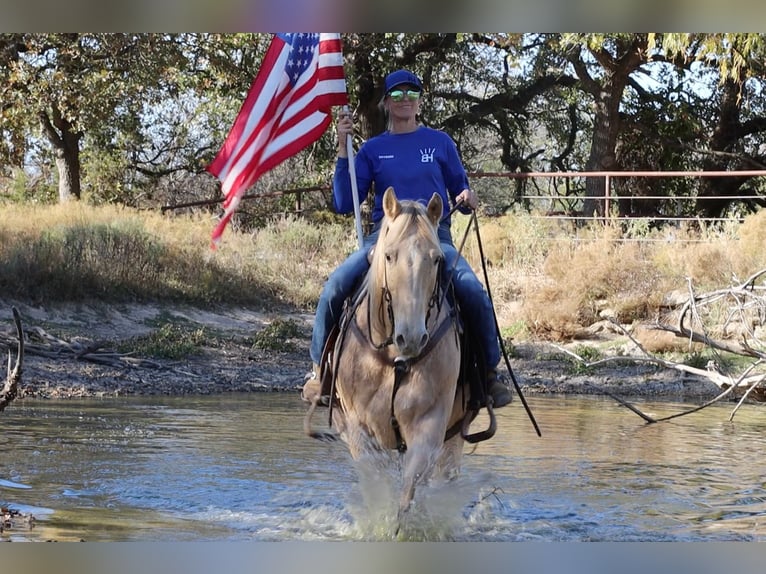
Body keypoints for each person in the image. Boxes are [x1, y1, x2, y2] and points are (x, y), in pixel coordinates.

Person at [302, 69, 512, 409]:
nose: (405, 100)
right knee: (335, 286)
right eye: (397, 95)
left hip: (433, 238)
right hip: (383, 240)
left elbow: (459, 186)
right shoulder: (372, 149)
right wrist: (343, 148)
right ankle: (319, 373)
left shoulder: (440, 142)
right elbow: (344, 203)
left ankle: (487, 374)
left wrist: (466, 196)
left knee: (472, 291)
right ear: (386, 103)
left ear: (420, 100)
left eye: (411, 93)